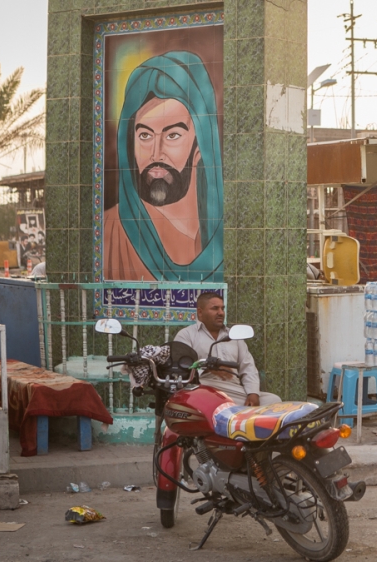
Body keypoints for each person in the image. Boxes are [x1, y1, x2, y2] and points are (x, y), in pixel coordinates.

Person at [104, 51, 224, 282]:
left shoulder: (227, 236)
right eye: (145, 136)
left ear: (200, 148)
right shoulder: (108, 231)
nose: (156, 153)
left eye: (173, 135)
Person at [174, 292, 280, 407]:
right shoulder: (186, 335)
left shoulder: (233, 335)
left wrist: (253, 393)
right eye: (215, 308)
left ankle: (238, 418)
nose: (220, 313)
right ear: (200, 312)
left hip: (233, 389)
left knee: (274, 400)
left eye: (222, 308)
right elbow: (180, 368)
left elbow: (248, 367)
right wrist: (207, 368)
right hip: (204, 387)